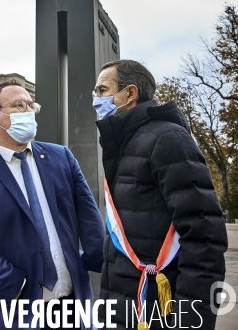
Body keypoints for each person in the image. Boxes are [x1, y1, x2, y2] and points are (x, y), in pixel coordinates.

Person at [0, 80, 105, 330]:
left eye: (31, 106)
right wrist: (15, 285)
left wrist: (98, 261)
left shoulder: (62, 158)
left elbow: (89, 220)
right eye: (19, 105)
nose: (28, 112)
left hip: (73, 302)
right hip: (17, 309)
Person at [94, 59, 228, 330]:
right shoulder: (126, 143)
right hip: (123, 305)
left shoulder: (167, 139)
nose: (96, 99)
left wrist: (192, 321)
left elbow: (204, 237)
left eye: (102, 90)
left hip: (157, 309)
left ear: (130, 94)